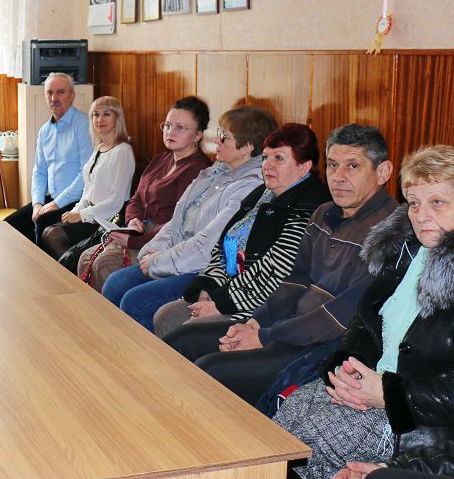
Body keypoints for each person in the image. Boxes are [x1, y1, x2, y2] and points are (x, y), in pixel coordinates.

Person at [274, 145, 454, 478]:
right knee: (282, 422)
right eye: (414, 203)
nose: (421, 216)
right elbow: (367, 323)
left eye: (437, 202)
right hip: (371, 387)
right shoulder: (407, 250)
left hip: (421, 421)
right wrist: (348, 366)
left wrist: (390, 394)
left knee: (307, 444)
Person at [165, 123, 397, 406]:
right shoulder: (324, 213)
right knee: (182, 339)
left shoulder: (391, 232)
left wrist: (264, 336)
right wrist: (255, 322)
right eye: (333, 165)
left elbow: (342, 316)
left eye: (353, 166)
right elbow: (294, 280)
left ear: (383, 172)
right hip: (286, 327)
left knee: (211, 371)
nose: (338, 177)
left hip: (322, 346)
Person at [101, 106, 275, 332]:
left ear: (248, 146)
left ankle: (140, 354)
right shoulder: (216, 171)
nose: (216, 140)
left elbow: (207, 246)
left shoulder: (250, 186)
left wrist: (157, 262)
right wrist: (153, 251)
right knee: (115, 284)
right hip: (178, 256)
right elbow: (177, 220)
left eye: (224, 136)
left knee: (136, 301)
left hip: (204, 269)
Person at [152, 124, 331, 338]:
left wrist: (220, 304)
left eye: (279, 158)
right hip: (227, 291)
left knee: (185, 332)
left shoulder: (311, 206)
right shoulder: (262, 193)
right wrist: (206, 289)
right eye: (265, 157)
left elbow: (278, 269)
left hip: (262, 307)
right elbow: (223, 247)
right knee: (166, 316)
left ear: (304, 166)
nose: (267, 165)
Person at [76, 96, 212, 291]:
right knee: (85, 258)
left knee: (103, 265)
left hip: (163, 242)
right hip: (139, 230)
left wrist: (134, 240)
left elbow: (178, 224)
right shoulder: (161, 159)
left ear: (198, 135)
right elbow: (137, 198)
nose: (170, 132)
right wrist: (133, 219)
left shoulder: (199, 170)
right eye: (167, 126)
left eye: (180, 128)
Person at [40, 96, 136, 266]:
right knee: (47, 231)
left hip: (106, 219)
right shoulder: (99, 148)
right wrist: (75, 211)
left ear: (117, 117)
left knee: (53, 235)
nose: (100, 119)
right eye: (95, 114)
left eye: (106, 114)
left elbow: (116, 201)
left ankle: (75, 275)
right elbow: (88, 190)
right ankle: (73, 273)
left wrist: (81, 215)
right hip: (91, 214)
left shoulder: (122, 151)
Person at [4, 73, 94, 244]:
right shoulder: (45, 131)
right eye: (49, 93)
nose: (54, 98)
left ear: (72, 96)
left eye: (60, 92)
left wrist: (56, 204)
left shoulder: (84, 125)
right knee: (8, 226)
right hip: (52, 199)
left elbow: (86, 174)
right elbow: (39, 172)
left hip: (77, 202)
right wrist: (37, 204)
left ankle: (40, 262)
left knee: (42, 223)